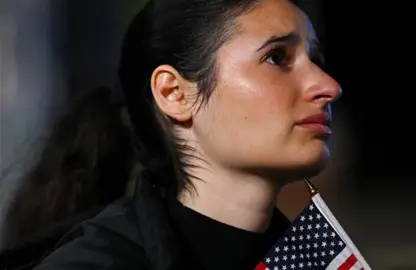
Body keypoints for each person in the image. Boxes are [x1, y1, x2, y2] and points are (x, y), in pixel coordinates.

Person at [3, 0, 341, 269]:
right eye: (276, 57)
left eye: (315, 60)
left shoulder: (309, 258)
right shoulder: (101, 261)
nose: (328, 86)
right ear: (174, 94)